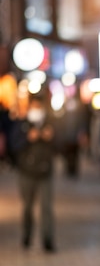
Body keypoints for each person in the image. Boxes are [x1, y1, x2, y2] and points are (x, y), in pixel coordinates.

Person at [9, 94, 57, 251]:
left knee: (47, 208)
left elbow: (62, 143)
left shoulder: (50, 123)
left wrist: (51, 137)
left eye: (39, 107)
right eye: (34, 106)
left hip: (45, 171)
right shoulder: (22, 124)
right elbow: (13, 144)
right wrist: (27, 138)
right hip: (26, 172)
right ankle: (26, 237)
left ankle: (48, 240)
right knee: (28, 207)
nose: (37, 110)